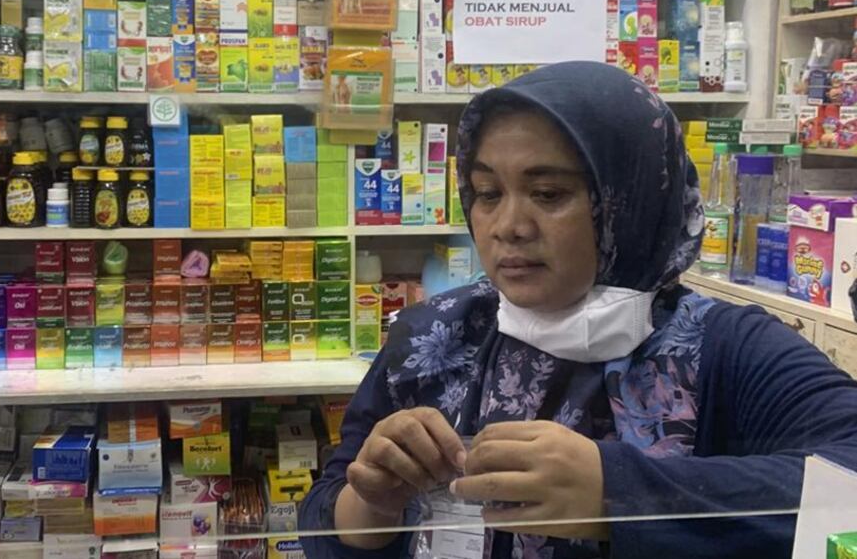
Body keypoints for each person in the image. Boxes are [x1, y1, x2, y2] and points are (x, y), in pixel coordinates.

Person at [299, 62, 857, 558]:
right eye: (488, 193)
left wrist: (620, 493)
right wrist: (372, 504)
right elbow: (325, 518)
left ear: (631, 200)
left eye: (548, 194)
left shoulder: (726, 348)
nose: (508, 226)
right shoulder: (433, 337)